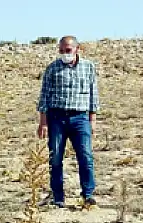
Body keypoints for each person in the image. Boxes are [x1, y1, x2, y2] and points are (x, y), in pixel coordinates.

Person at [37, 36, 100, 209]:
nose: (65, 53)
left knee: (85, 156)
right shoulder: (52, 69)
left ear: (77, 49)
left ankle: (88, 194)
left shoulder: (88, 68)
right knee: (55, 157)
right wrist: (43, 122)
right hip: (56, 117)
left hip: (80, 117)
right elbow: (44, 96)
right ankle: (58, 197)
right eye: (62, 50)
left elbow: (94, 94)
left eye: (68, 50)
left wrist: (92, 119)